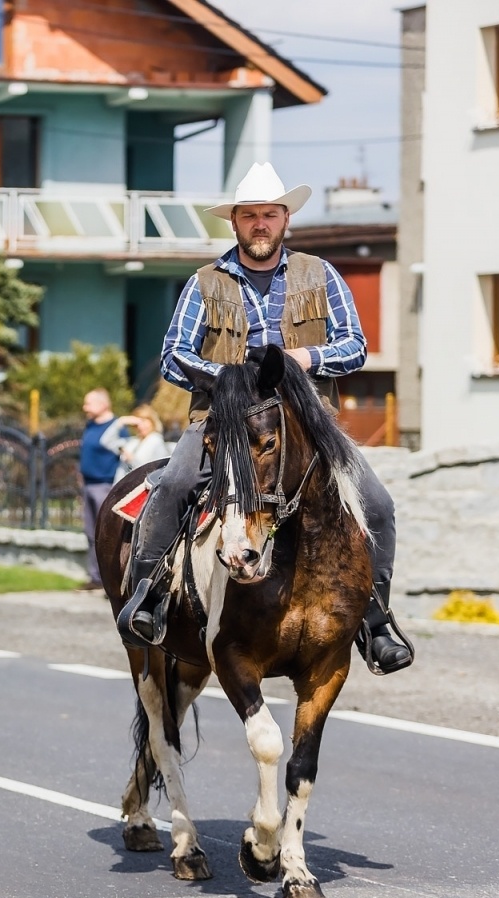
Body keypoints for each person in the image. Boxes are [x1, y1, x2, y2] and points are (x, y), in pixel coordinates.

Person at [115, 162, 412, 674]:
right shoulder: (204, 282)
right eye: (249, 215)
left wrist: (304, 360)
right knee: (174, 484)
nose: (259, 224)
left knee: (379, 505)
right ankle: (149, 597)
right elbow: (172, 355)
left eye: (268, 215)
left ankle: (375, 619)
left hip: (308, 424)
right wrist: (227, 379)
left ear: (284, 220)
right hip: (222, 420)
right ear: (234, 222)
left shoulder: (321, 274)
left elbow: (355, 346)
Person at [78, 388, 128, 591]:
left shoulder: (116, 428)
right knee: (90, 533)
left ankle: (111, 577)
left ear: (103, 404)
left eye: (88, 403)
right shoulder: (90, 426)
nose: (85, 407)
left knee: (106, 534)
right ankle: (95, 577)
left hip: (106, 485)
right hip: (88, 485)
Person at [117, 404, 171, 475]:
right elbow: (107, 442)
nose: (140, 426)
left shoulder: (155, 441)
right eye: (137, 424)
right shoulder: (134, 441)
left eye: (144, 421)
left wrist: (131, 460)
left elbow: (157, 469)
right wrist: (121, 421)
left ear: (152, 421)